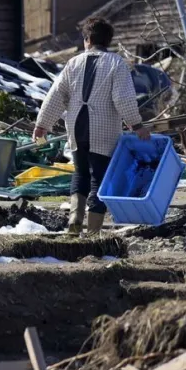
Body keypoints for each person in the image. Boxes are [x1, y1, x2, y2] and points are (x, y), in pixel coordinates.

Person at [34, 18, 150, 235]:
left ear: (87, 40)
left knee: (80, 174)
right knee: (100, 178)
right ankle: (93, 231)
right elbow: (123, 99)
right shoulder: (116, 63)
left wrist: (42, 125)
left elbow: (56, 95)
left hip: (76, 127)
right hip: (103, 129)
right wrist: (137, 125)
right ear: (108, 41)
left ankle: (74, 221)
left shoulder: (73, 63)